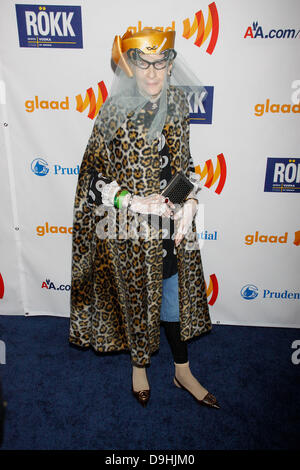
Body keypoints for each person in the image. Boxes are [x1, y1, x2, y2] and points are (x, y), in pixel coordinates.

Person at [69, 28, 220, 409]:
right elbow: (90, 179)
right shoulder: (114, 111)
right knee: (138, 302)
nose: (153, 72)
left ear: (170, 65)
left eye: (160, 62)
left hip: (172, 232)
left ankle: (181, 370)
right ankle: (140, 368)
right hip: (129, 234)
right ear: (129, 66)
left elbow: (184, 167)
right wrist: (133, 201)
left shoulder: (178, 103)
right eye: (143, 63)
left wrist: (188, 203)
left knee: (172, 304)